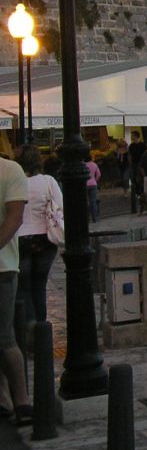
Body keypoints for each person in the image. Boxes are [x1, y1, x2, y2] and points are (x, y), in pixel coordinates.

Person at [0, 152, 31, 426]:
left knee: (4, 337)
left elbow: (14, 218)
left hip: (2, 268)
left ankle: (21, 401)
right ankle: (4, 399)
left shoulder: (10, 170)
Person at [15, 146, 61, 325]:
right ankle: (41, 329)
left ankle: (28, 326)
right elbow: (60, 206)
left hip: (20, 237)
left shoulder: (15, 182)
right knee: (39, 286)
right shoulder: (48, 181)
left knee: (23, 287)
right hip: (45, 238)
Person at [128, 130, 147, 212]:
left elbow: (145, 154)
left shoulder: (142, 145)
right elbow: (129, 155)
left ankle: (143, 195)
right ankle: (138, 194)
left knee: (142, 180)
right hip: (135, 165)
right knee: (135, 180)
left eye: (132, 135)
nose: (131, 137)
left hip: (142, 165)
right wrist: (131, 164)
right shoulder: (131, 146)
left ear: (136, 136)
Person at [85, 153, 102, 223]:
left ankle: (87, 218)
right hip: (93, 184)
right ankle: (94, 218)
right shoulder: (94, 164)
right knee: (93, 201)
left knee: (86, 202)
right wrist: (95, 180)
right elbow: (99, 174)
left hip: (85, 184)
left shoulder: (83, 165)